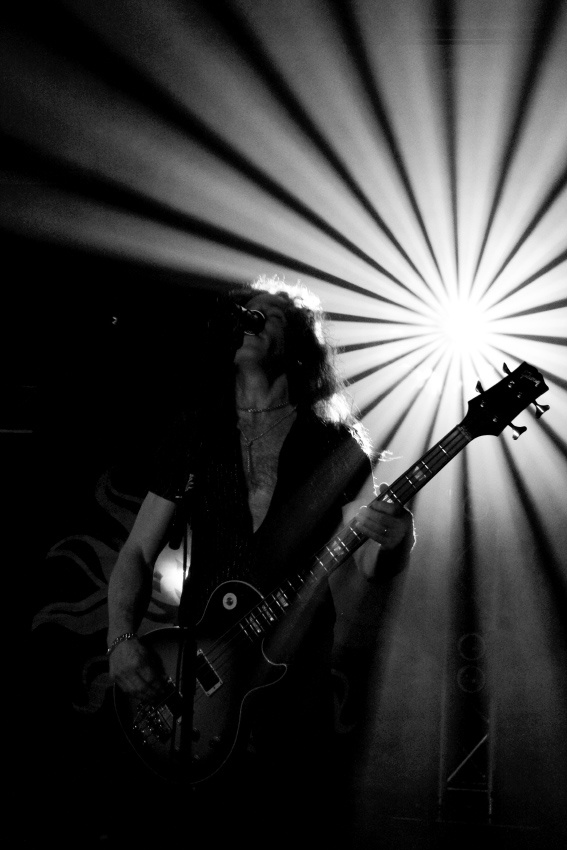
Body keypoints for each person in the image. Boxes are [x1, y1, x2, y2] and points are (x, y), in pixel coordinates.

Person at [106, 275, 414, 847]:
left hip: (294, 672)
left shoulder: (336, 443)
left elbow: (368, 565)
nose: (251, 318)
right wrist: (120, 640)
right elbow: (138, 552)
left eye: (269, 314)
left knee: (285, 825)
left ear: (299, 344)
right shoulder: (198, 433)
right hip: (203, 668)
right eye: (245, 311)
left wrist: (396, 541)